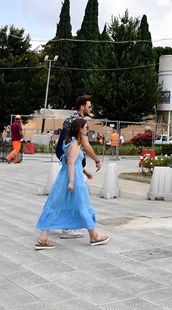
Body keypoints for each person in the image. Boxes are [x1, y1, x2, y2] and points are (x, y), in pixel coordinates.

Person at [34, 118, 109, 249]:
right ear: (79, 129)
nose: (87, 129)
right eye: (85, 127)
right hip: (73, 179)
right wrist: (72, 182)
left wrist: (85, 171)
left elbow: (72, 162)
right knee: (82, 205)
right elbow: (70, 163)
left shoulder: (70, 142)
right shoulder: (75, 145)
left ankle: (43, 238)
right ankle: (94, 235)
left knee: (54, 205)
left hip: (65, 178)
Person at [55, 95, 101, 239]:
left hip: (68, 162)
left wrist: (82, 168)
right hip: (72, 164)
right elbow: (85, 146)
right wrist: (97, 160)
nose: (90, 109)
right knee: (79, 197)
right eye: (89, 106)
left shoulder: (69, 119)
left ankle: (69, 226)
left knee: (71, 197)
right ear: (82, 107)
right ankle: (85, 232)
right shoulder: (79, 122)